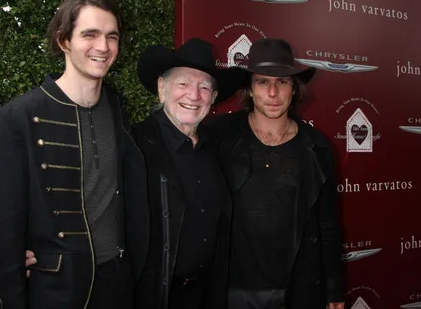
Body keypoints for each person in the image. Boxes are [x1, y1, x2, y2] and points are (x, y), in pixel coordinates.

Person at [0, 0, 148, 309]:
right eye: (90, 34)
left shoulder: (116, 107)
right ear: (63, 41)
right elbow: (4, 228)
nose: (103, 47)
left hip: (118, 284)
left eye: (111, 37)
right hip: (57, 289)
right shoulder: (18, 117)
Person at [210, 38, 345, 309]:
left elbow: (328, 225)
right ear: (249, 89)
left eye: (282, 82)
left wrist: (334, 289)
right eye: (262, 82)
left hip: (298, 290)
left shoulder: (317, 147)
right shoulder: (217, 137)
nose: (273, 93)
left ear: (294, 89)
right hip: (232, 290)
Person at [132, 38, 243, 309]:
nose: (194, 96)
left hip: (206, 295)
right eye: (183, 84)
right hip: (150, 298)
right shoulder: (132, 145)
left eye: (204, 87)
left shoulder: (217, 147)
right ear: (162, 88)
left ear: (214, 98)